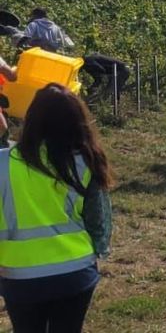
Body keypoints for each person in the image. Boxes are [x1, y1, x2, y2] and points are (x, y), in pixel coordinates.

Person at [0, 84, 113, 333]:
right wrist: (98, 253)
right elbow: (98, 221)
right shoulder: (86, 161)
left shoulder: (4, 163)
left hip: (19, 276)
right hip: (75, 273)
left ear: (31, 120)